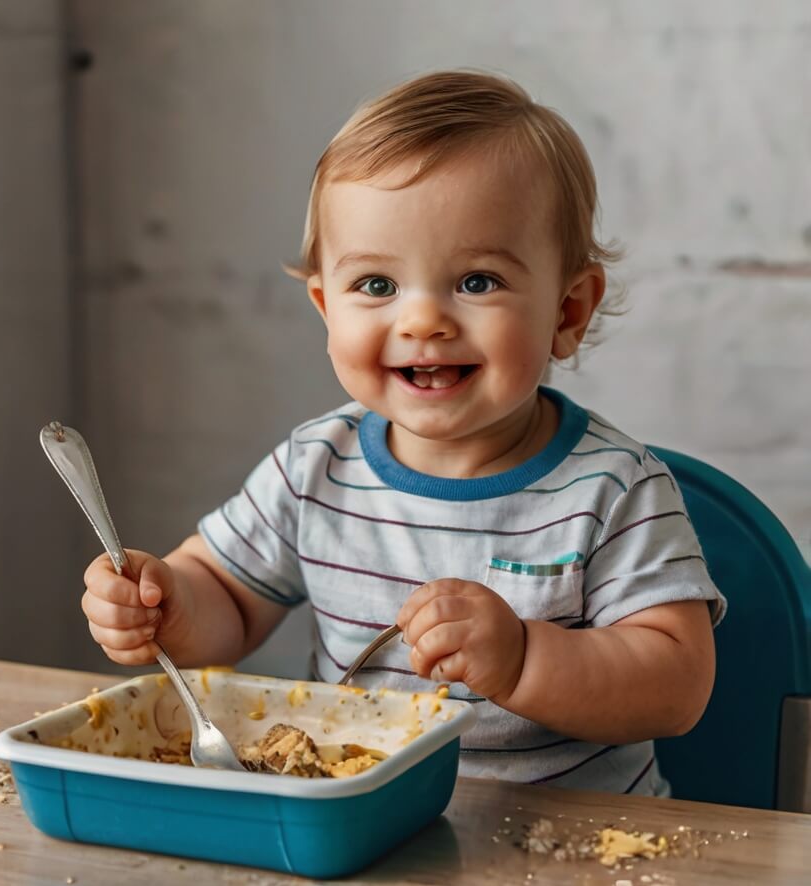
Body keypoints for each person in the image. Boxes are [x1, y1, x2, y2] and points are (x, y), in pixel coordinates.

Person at [82, 70, 725, 795]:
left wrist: (521, 660)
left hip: (568, 841)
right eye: (378, 286)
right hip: (363, 826)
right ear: (327, 308)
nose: (422, 321)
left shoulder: (613, 489)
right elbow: (226, 602)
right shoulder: (314, 466)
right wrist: (163, 604)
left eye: (477, 281)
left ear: (568, 312)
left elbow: (676, 684)